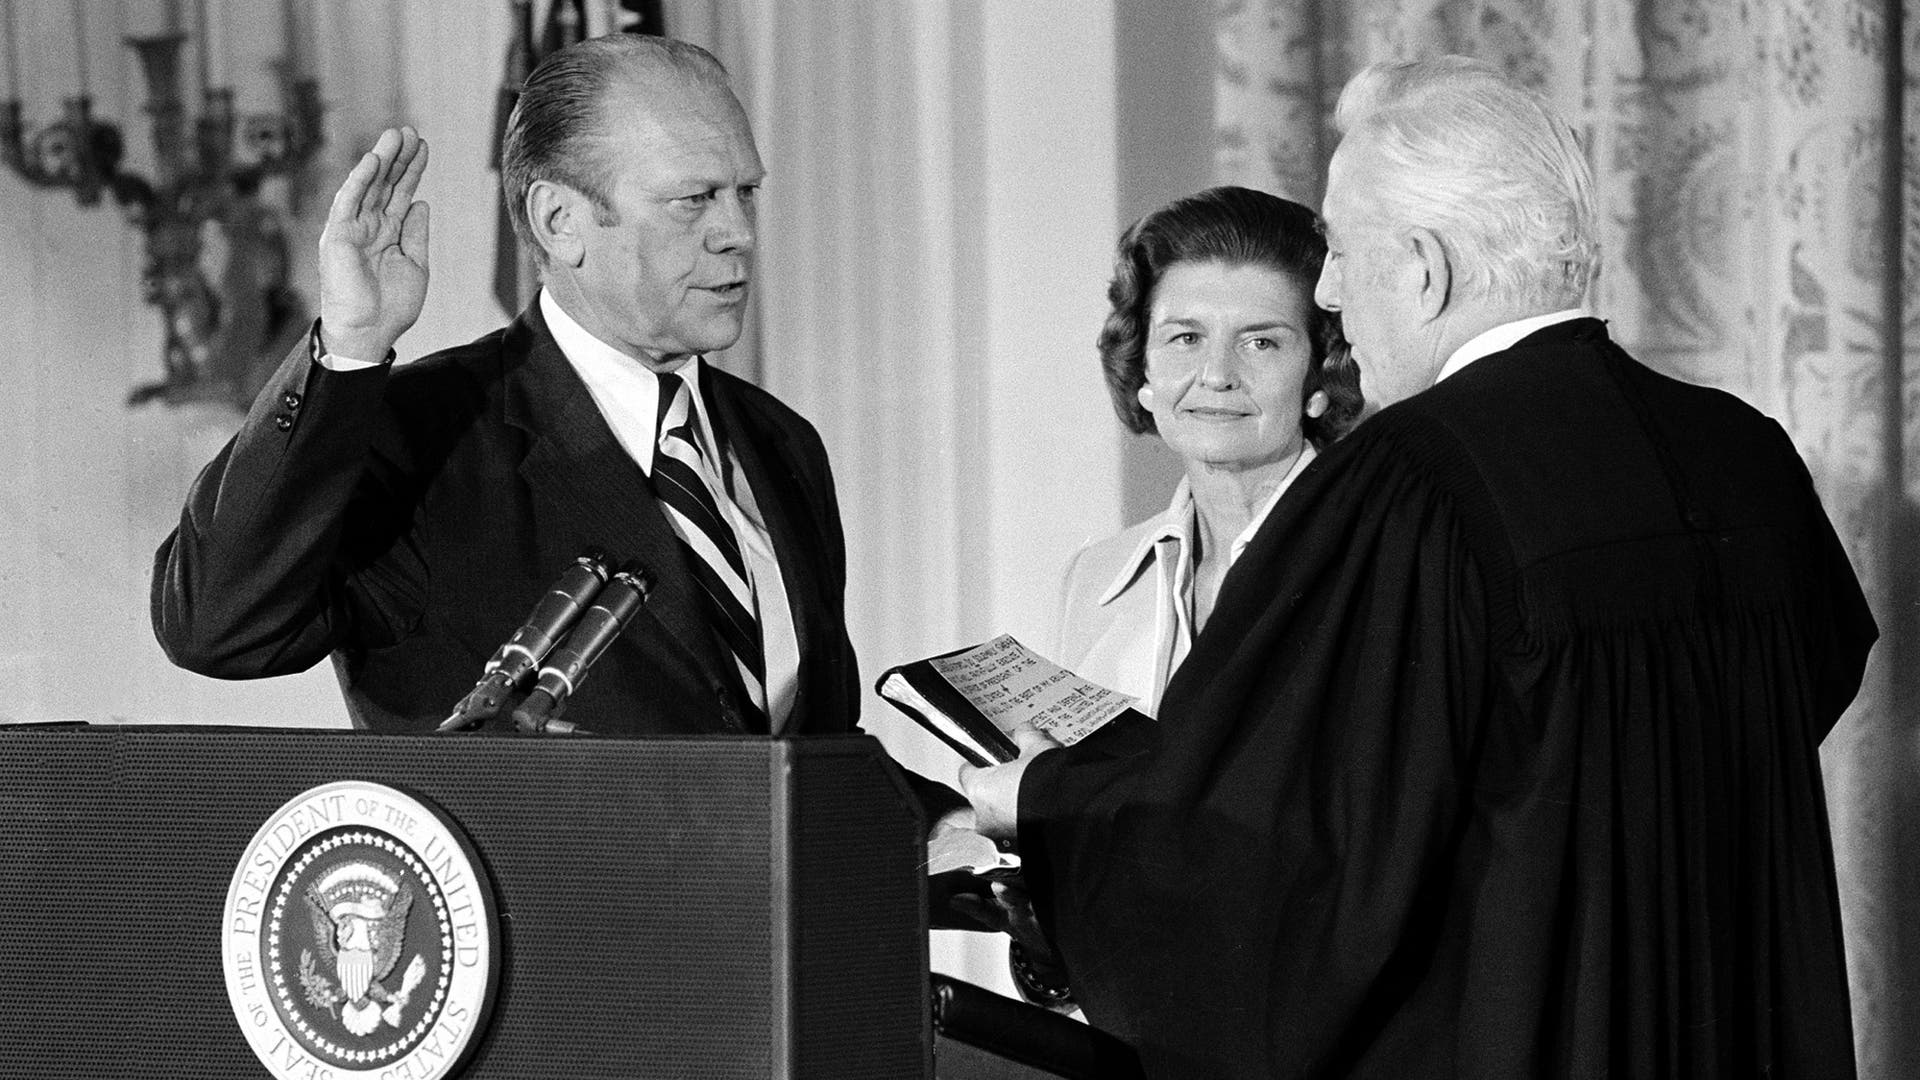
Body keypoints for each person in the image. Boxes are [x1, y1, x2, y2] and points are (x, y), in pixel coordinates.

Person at [962, 56, 1877, 1078]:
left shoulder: (1410, 480)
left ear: (1427, 266)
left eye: (1345, 255)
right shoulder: (1743, 451)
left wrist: (1049, 794)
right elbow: (1810, 681)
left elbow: (1292, 852)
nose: (1332, 291)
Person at [153, 34, 868, 743]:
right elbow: (215, 626)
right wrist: (348, 347)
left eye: (746, 192)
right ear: (560, 223)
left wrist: (956, 810)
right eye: (694, 199)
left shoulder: (781, 443)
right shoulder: (422, 438)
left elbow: (809, 764)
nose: (738, 231)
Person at [1057, 186, 1361, 716]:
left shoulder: (1379, 559)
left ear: (1320, 375)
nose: (1217, 376)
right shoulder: (1094, 579)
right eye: (1186, 339)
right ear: (1142, 368)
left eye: (1260, 343)